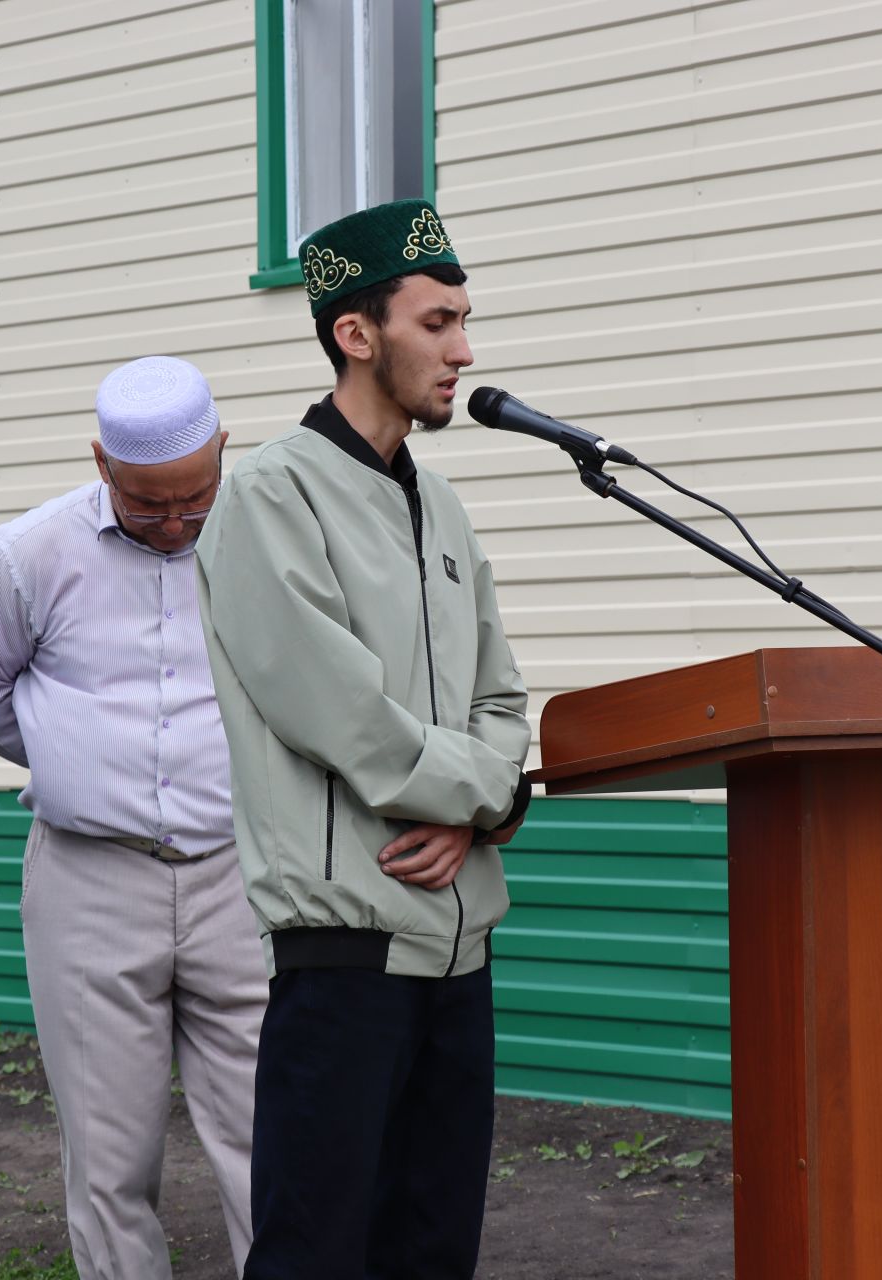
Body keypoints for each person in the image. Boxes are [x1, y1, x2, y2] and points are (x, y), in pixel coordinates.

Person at [196, 200, 532, 1279]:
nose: (463, 349)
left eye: (464, 320)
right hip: (347, 952)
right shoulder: (269, 494)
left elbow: (503, 701)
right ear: (356, 331)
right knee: (317, 1253)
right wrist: (477, 797)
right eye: (437, 321)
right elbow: (340, 713)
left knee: (435, 1251)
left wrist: (487, 809)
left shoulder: (444, 507)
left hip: (460, 943)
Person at [0, 356, 267, 1279]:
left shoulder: (270, 540)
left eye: (194, 500)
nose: (173, 524)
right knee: (110, 1159)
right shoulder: (23, 556)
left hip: (243, 876)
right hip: (89, 881)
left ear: (223, 454)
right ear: (101, 464)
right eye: (148, 503)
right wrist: (70, 755)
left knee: (265, 1140)